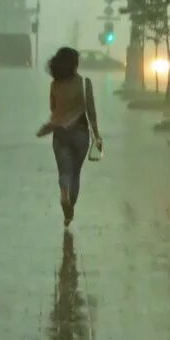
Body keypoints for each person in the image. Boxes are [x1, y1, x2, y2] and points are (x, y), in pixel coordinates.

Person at [37, 47, 102, 225]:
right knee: (76, 172)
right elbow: (91, 111)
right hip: (81, 134)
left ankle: (64, 193)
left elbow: (53, 108)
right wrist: (97, 136)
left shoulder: (55, 85)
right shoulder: (84, 83)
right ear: (74, 64)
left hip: (60, 133)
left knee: (64, 171)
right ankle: (70, 207)